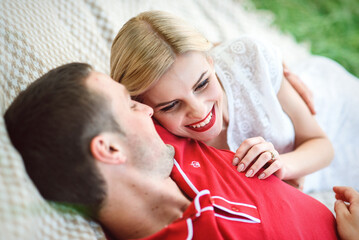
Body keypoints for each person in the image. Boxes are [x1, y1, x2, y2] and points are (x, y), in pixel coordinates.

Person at [4, 63, 338, 239]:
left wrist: (267, 68)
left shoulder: (165, 143)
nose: (147, 110)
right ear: (109, 148)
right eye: (129, 106)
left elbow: (184, 61)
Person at [110, 10, 359, 193]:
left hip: (337, 105)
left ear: (211, 61)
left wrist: (283, 165)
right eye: (171, 105)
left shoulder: (252, 60)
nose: (199, 111)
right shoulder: (155, 138)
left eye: (202, 84)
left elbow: (322, 145)